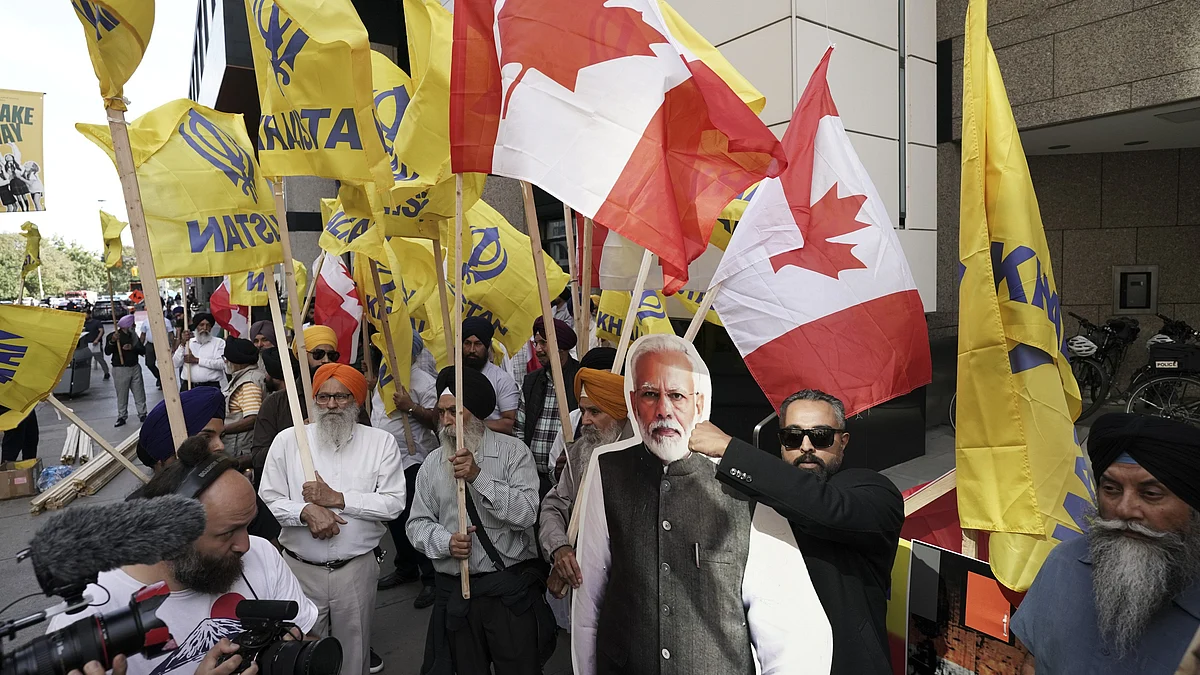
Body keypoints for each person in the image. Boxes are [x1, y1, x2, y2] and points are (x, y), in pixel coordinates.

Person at [574, 334, 831, 675]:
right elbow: (589, 602)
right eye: (651, 394)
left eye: (676, 395)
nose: (663, 409)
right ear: (634, 403)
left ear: (698, 403)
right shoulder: (608, 470)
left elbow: (792, 639)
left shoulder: (743, 483)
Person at [47, 442, 318, 675]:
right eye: (227, 533)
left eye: (248, 525)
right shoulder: (90, 613)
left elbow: (305, 637)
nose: (245, 545)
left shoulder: (262, 554)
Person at [689, 389, 905, 675]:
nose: (806, 446)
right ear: (780, 444)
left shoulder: (874, 492)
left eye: (820, 436)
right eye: (792, 437)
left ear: (843, 441)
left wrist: (731, 451)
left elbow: (824, 508)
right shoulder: (757, 498)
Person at [1011, 412, 1200, 674]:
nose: (1124, 509)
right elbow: (1031, 664)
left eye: (1151, 494)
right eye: (1111, 489)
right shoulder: (1063, 563)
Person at [259, 363, 405, 675]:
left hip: (355, 570)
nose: (332, 406)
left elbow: (394, 504)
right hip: (298, 571)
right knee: (298, 655)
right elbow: (268, 498)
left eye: (342, 397)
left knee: (353, 655)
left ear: (358, 401)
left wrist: (338, 499)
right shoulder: (288, 441)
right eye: (323, 397)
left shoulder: (381, 443)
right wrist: (303, 511)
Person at [407, 366, 551, 675]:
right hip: (457, 594)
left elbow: (526, 514)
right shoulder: (432, 464)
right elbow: (416, 525)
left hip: (506, 595)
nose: (445, 422)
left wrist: (478, 477)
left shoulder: (515, 453)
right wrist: (446, 542)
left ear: (477, 412)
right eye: (441, 413)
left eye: (454, 413)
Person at [539, 350, 631, 599]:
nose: (585, 421)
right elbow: (553, 506)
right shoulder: (580, 450)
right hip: (585, 580)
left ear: (619, 411)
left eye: (595, 412)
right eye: (583, 411)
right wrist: (559, 547)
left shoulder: (645, 453)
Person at [136, 388, 282, 542]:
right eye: (206, 437)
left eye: (221, 436)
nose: (220, 446)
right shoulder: (141, 515)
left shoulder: (234, 491)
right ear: (168, 449)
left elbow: (270, 552)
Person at [373, 334, 440, 609]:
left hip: (414, 460)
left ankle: (431, 576)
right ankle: (406, 566)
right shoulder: (383, 377)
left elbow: (436, 419)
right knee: (395, 517)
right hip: (386, 461)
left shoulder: (424, 381)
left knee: (418, 518)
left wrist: (410, 407)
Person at [515, 317, 579, 497]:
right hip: (532, 479)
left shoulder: (580, 380)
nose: (538, 350)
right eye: (536, 343)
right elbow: (519, 430)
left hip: (568, 479)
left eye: (544, 342)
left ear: (562, 346)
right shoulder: (531, 381)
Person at [459, 317, 521, 435]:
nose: (472, 350)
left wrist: (472, 425)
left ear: (487, 346)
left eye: (477, 344)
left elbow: (510, 423)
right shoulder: (454, 376)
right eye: (467, 343)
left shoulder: (501, 380)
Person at [221, 338, 264, 460]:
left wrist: (222, 430)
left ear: (236, 361)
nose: (225, 362)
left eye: (227, 359)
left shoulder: (249, 383)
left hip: (240, 447)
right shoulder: (245, 376)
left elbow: (253, 419)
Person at [107, 314, 148, 427]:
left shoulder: (133, 336)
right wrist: (113, 341)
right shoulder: (114, 336)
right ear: (126, 326)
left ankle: (142, 413)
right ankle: (122, 416)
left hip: (134, 367)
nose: (134, 326)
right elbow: (107, 351)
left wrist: (133, 348)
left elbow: (142, 350)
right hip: (121, 368)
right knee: (122, 393)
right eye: (132, 324)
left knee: (139, 391)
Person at [173, 313, 226, 389]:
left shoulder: (219, 343)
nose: (205, 328)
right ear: (196, 327)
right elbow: (176, 364)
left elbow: (222, 364)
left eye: (208, 325)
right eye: (201, 325)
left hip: (210, 387)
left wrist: (197, 360)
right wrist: (182, 344)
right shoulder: (188, 343)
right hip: (189, 387)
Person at [137, 310, 176, 389]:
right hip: (150, 345)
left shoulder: (166, 321)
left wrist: (173, 345)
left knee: (164, 365)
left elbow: (171, 333)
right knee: (149, 363)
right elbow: (143, 334)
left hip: (163, 345)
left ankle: (164, 382)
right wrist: (140, 346)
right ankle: (159, 377)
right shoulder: (146, 321)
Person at [82, 308, 111, 381]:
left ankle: (106, 372)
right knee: (86, 360)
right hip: (86, 344)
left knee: (100, 359)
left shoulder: (96, 322)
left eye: (85, 314)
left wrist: (97, 339)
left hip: (95, 343)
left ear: (89, 314)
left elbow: (101, 331)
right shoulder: (83, 323)